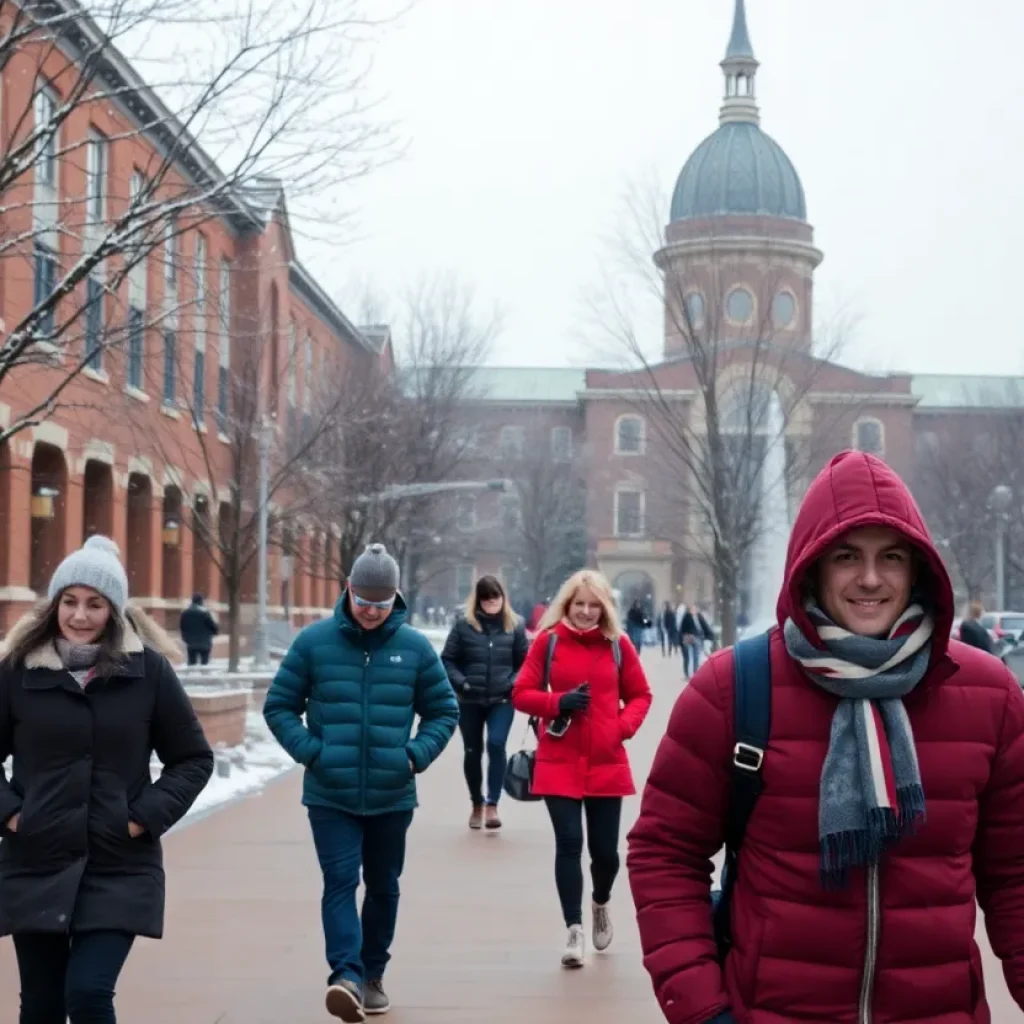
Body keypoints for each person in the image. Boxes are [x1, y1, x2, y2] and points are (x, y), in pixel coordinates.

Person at [627, 451, 1024, 1022]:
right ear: (811, 566)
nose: (869, 578)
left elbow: (1014, 876)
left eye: (891, 556)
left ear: (917, 569)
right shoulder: (732, 689)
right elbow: (664, 853)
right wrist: (702, 1009)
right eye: (846, 556)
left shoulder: (988, 695)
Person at [0, 535, 214, 1024]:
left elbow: (193, 759)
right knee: (41, 1005)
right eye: (69, 602)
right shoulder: (17, 672)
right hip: (37, 859)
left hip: (118, 863)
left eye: (95, 604)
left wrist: (142, 818)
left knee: (90, 994)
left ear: (115, 612)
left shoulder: (149, 673)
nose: (79, 616)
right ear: (53, 605)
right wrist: (12, 815)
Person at [263, 542, 458, 1022]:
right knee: (340, 881)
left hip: (393, 794)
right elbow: (279, 706)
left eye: (381, 603)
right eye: (363, 601)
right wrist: (313, 752)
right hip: (331, 793)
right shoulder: (314, 643)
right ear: (348, 589)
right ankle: (345, 975)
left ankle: (373, 974)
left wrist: (414, 757)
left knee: (385, 885)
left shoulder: (413, 648)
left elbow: (443, 711)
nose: (371, 612)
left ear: (396, 598)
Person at [512, 569, 652, 968]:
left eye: (594, 605)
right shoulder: (549, 641)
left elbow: (641, 695)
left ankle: (600, 902)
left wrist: (620, 728)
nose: (587, 612)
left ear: (605, 607)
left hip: (607, 761)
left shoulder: (618, 645)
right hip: (559, 759)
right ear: (567, 605)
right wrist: (558, 703)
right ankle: (574, 930)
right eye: (580, 605)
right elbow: (521, 693)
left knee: (606, 854)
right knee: (569, 843)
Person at [441, 575, 528, 830]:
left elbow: (526, 661)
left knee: (496, 744)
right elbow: (447, 659)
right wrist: (461, 682)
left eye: (496, 599)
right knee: (472, 751)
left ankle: (492, 804)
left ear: (503, 598)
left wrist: (513, 681)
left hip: (502, 698)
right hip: (469, 699)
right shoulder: (463, 626)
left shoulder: (515, 625)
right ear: (478, 601)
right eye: (487, 600)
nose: (492, 604)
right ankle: (476, 803)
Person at [179, 592, 218, 666]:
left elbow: (182, 626)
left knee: (192, 662)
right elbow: (212, 626)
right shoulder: (205, 613)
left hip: (191, 642)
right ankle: (204, 675)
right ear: (201, 601)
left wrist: (185, 638)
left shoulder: (185, 613)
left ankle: (190, 676)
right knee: (204, 663)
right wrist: (215, 632)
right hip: (204, 642)